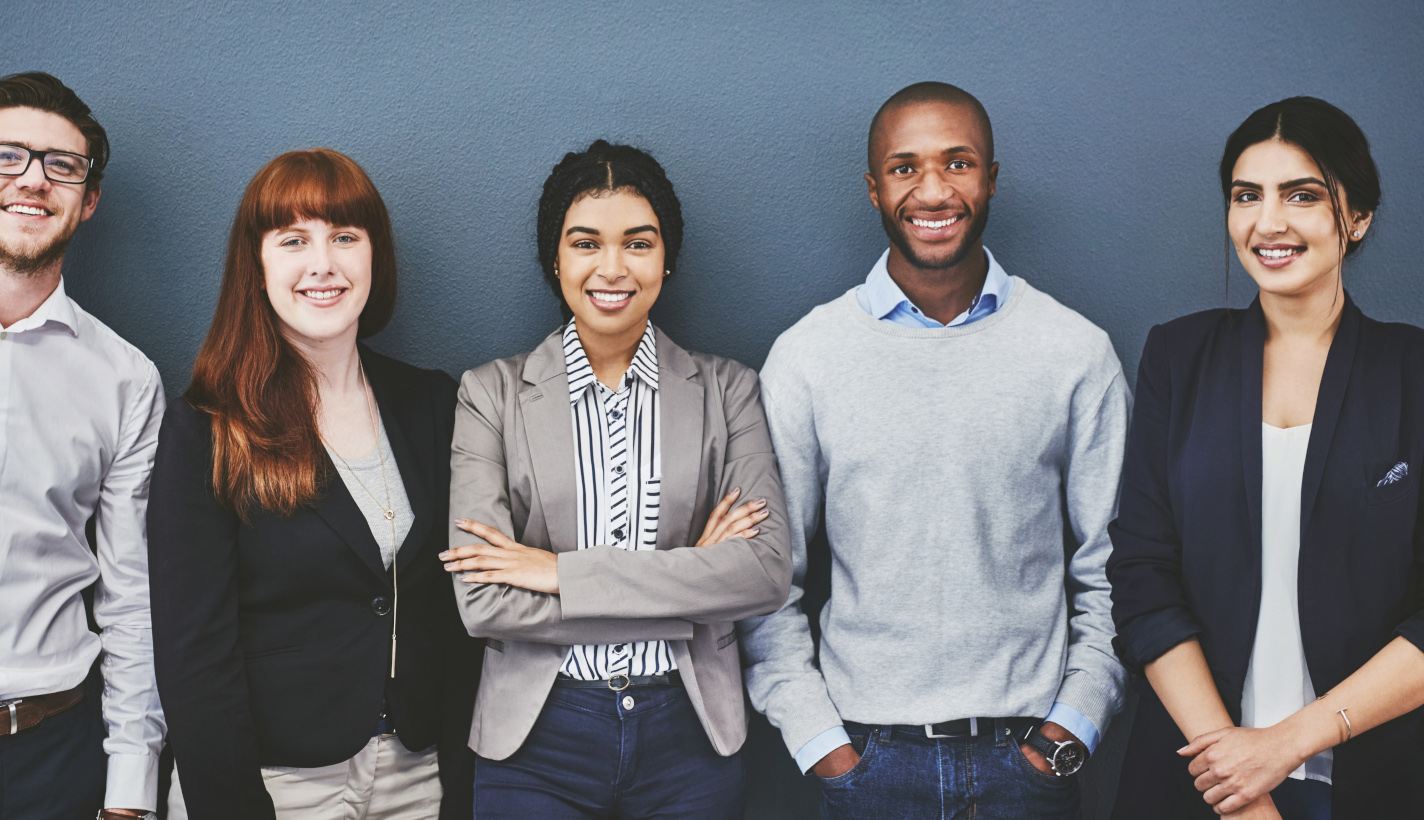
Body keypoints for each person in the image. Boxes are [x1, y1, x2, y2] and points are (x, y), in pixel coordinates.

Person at [738, 81, 1130, 819]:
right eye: (904, 167)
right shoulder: (807, 358)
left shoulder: (1074, 352)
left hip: (1031, 768)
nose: (932, 190)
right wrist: (822, 744)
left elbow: (1115, 567)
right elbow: (766, 582)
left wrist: (1069, 729)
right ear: (873, 188)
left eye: (958, 163)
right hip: (866, 765)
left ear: (990, 178)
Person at [438, 139, 791, 818]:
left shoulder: (728, 390)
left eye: (638, 242)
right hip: (536, 742)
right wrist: (694, 583)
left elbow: (764, 573)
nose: (612, 267)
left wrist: (560, 573)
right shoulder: (490, 394)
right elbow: (484, 605)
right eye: (585, 243)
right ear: (556, 257)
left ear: (666, 258)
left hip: (688, 735)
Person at [1108, 97, 1424, 820]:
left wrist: (1285, 745)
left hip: (1374, 781)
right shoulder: (1177, 356)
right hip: (1197, 779)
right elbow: (1142, 575)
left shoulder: (1413, 372)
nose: (1268, 222)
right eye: (1247, 195)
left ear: (1360, 217)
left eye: (1302, 195)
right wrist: (1237, 776)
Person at [147, 148, 480, 820]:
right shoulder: (205, 430)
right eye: (294, 240)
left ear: (373, 258)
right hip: (273, 783)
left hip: (418, 777)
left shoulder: (434, 404)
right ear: (258, 264)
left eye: (345, 238)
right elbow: (193, 656)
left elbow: (459, 616)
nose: (323, 263)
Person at [0, 71, 165, 820]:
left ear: (88, 198)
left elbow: (129, 597)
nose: (33, 179)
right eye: (8, 156)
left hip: (51, 754)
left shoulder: (125, 379)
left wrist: (128, 792)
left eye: (60, 164)